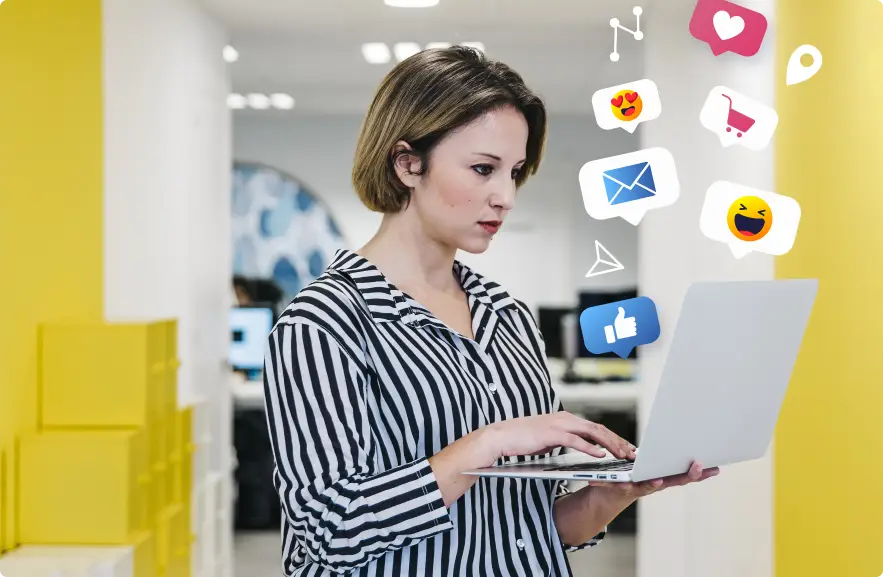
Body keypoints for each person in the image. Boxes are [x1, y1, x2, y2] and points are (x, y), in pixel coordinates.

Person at [262, 46, 719, 577]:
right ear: (407, 162)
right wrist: (486, 445)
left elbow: (528, 529)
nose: (506, 196)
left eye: (515, 171)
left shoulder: (507, 315)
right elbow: (328, 534)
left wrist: (609, 496)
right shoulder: (323, 322)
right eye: (483, 169)